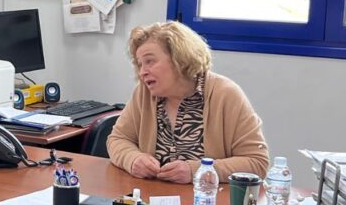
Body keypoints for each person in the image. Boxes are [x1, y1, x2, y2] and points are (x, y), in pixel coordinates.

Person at [107, 21, 269, 183]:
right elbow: (117, 139)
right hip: (152, 194)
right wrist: (133, 159)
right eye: (140, 64)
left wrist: (198, 171)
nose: (142, 72)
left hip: (206, 197)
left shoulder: (226, 94)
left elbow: (257, 162)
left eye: (150, 61)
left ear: (180, 59)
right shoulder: (143, 93)